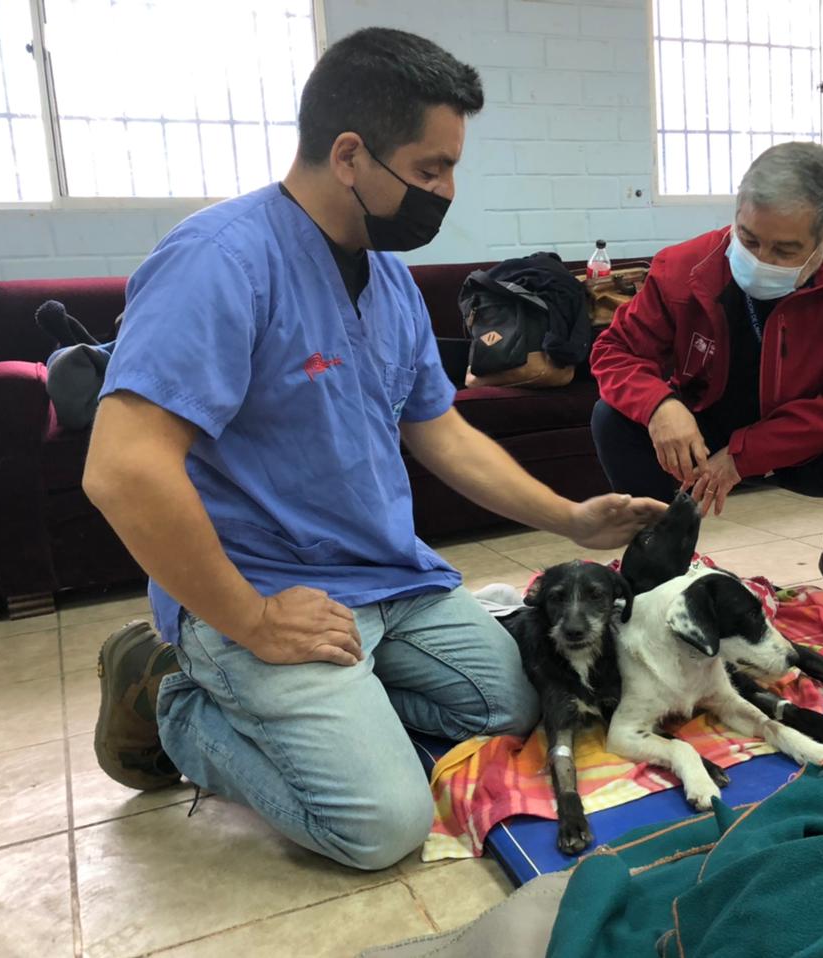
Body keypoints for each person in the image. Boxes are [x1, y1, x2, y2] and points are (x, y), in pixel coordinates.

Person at [83, 28, 663, 871]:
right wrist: (249, 618)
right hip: (266, 592)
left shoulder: (384, 273)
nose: (447, 191)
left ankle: (338, 705)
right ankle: (174, 698)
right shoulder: (221, 261)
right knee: (381, 828)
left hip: (390, 577)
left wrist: (571, 518)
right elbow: (122, 469)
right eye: (430, 170)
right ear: (349, 154)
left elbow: (441, 429)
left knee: (515, 711)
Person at [590, 142, 823, 607]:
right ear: (737, 214)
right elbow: (615, 351)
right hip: (708, 426)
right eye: (748, 239)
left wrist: (746, 455)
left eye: (786, 250)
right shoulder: (683, 267)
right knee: (613, 417)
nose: (762, 258)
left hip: (808, 439)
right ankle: (662, 560)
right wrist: (660, 405)